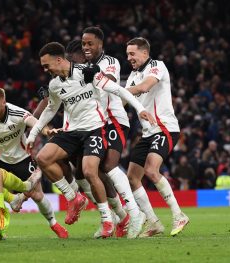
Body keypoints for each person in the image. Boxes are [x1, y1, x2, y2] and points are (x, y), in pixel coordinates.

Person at [27, 42, 155, 238]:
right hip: (71, 132)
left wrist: (140, 109)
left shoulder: (87, 73)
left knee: (90, 171)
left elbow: (117, 89)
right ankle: (73, 197)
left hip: (94, 130)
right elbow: (50, 109)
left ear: (59, 60)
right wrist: (33, 134)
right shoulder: (54, 84)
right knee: (43, 158)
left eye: (47, 65)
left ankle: (110, 220)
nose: (45, 70)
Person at [87, 37, 189, 237]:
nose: (129, 58)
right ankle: (153, 222)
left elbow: (144, 87)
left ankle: (179, 215)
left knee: (152, 170)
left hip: (165, 128)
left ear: (145, 52)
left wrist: (117, 91)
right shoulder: (132, 76)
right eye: (127, 55)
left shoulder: (156, 66)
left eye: (132, 54)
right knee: (133, 177)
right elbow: (122, 103)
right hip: (147, 133)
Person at [0, 85, 68, 238]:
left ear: (3, 102)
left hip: (22, 159)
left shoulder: (17, 113)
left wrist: (46, 131)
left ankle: (53, 223)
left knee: (37, 195)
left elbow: (34, 122)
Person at [82, 26, 146, 238]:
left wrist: (91, 75)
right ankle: (117, 216)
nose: (87, 47)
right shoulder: (84, 66)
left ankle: (135, 213)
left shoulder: (110, 62)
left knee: (108, 165)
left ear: (100, 44)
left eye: (90, 43)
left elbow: (108, 80)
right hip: (96, 123)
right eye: (84, 44)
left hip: (114, 120)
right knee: (93, 170)